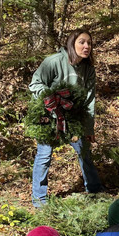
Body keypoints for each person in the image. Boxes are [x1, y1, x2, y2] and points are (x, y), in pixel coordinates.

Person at [29, 28, 103, 206]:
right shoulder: (53, 62)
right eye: (82, 42)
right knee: (44, 155)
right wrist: (51, 97)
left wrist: (88, 128)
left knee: (84, 151)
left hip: (74, 118)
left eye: (89, 43)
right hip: (49, 117)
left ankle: (94, 191)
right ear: (72, 43)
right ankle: (39, 199)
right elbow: (35, 83)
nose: (86, 46)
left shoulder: (88, 69)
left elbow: (89, 100)